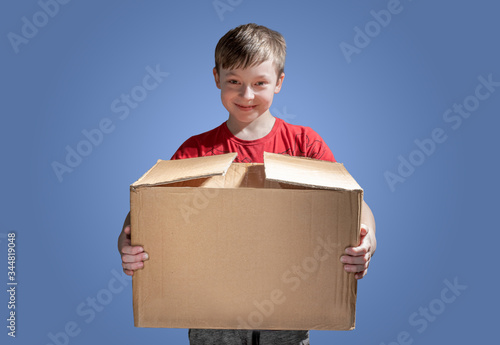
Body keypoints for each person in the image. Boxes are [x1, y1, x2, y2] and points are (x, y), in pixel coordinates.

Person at [118, 23, 376, 345]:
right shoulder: (196, 151)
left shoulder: (304, 145)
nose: (246, 95)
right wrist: (127, 244)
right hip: (212, 316)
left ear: (279, 82)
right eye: (234, 82)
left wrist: (368, 243)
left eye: (260, 83)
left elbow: (354, 203)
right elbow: (149, 207)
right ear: (217, 79)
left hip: (289, 311)